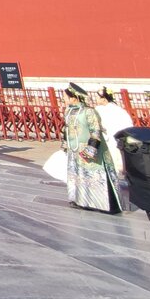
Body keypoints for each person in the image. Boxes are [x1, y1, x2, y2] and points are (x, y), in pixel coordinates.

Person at [62, 83, 125, 213]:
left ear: (74, 97)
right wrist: (65, 144)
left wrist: (91, 150)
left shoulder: (89, 111)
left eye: (65, 96)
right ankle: (80, 200)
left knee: (94, 176)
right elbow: (66, 129)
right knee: (78, 175)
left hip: (88, 149)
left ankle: (103, 204)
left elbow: (95, 131)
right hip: (74, 149)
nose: (64, 99)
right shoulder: (68, 111)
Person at [94, 86, 134, 177]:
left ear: (104, 99)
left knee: (112, 163)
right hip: (121, 139)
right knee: (121, 161)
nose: (96, 99)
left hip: (109, 139)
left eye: (97, 97)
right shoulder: (120, 110)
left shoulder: (100, 110)